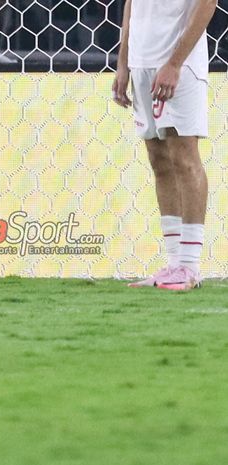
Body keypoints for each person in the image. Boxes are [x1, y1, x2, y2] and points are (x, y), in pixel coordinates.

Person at [112, 0, 217, 290]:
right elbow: (131, 6)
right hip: (141, 62)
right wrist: (123, 63)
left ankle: (190, 265)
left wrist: (174, 63)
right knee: (159, 160)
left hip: (179, 66)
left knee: (184, 157)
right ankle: (173, 264)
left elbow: (208, 4)